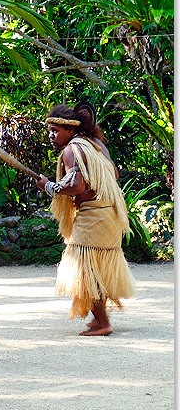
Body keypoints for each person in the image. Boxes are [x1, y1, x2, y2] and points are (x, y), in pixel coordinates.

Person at [36, 102, 135, 336]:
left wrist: (48, 186)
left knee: (85, 270)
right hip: (111, 213)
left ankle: (103, 323)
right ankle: (99, 318)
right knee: (95, 269)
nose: (51, 135)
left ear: (71, 130)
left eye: (56, 130)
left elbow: (75, 184)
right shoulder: (96, 145)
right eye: (50, 130)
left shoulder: (71, 150)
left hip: (93, 215)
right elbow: (113, 173)